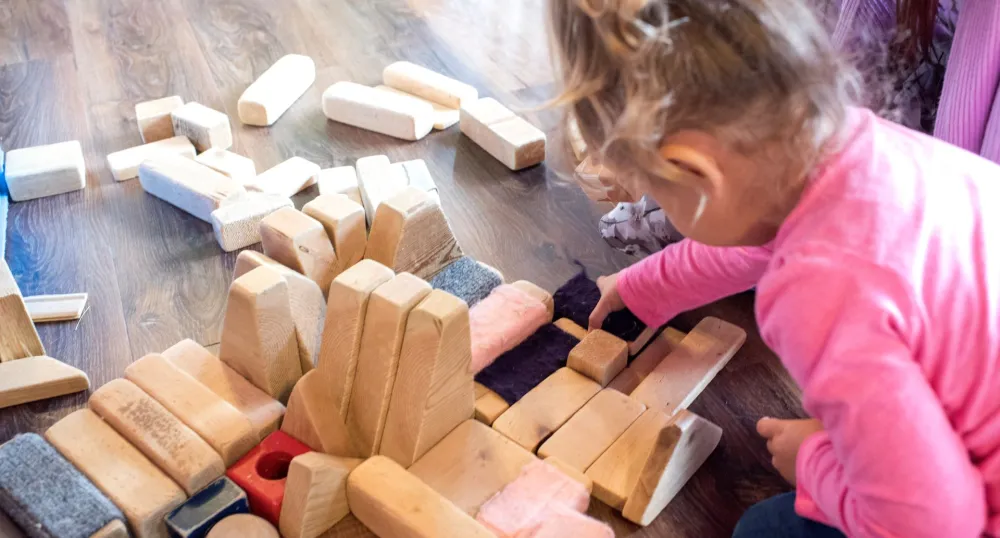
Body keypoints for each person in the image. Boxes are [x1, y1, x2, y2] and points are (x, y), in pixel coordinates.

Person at [548, 0, 1000, 536]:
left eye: (657, 191)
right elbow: (750, 242)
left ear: (696, 173)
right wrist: (639, 285)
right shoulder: (852, 148)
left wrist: (816, 461)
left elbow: (935, 524)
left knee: (760, 530)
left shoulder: (819, 294)